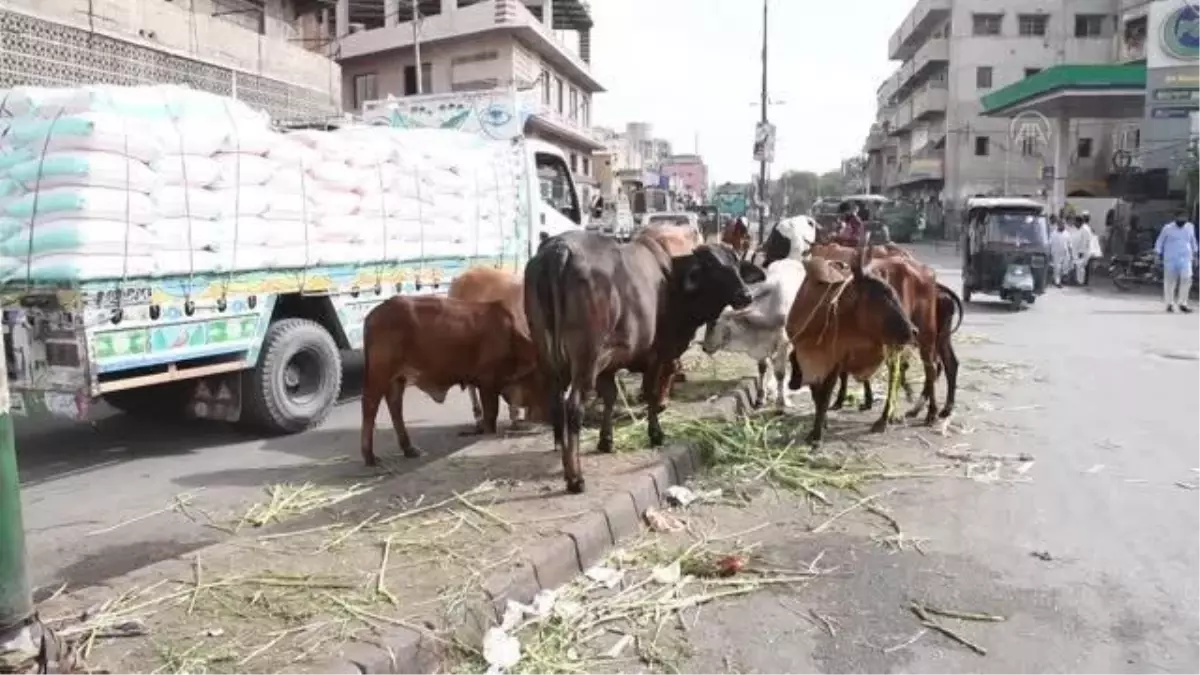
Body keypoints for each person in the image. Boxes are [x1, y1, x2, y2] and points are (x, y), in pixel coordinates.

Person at [1155, 210, 1199, 313]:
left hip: (1186, 258)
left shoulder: (1190, 227)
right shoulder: (1168, 228)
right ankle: (1169, 303)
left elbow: (1193, 241)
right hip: (1171, 259)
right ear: (1176, 217)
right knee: (1170, 282)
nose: (1183, 220)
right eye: (1181, 218)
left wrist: (1196, 255)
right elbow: (1160, 241)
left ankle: (1183, 303)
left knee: (1187, 278)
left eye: (1185, 218)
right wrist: (1157, 255)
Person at [1070, 213, 1096, 286]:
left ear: (1079, 222)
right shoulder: (1080, 229)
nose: (1074, 223)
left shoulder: (1085, 230)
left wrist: (1081, 251)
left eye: (1075, 222)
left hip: (1083, 251)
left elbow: (1085, 242)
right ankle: (1081, 281)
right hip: (1080, 251)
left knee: (1081, 267)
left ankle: (1081, 282)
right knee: (1081, 267)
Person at [1048, 218, 1073, 287]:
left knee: (1064, 268)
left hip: (1065, 253)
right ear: (1058, 225)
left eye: (1063, 224)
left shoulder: (1067, 234)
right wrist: (1049, 253)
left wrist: (1071, 254)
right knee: (1057, 268)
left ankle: (1060, 279)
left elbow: (1070, 245)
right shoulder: (1053, 233)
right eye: (1060, 224)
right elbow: (1049, 244)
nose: (1062, 225)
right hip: (1056, 254)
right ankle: (1057, 282)